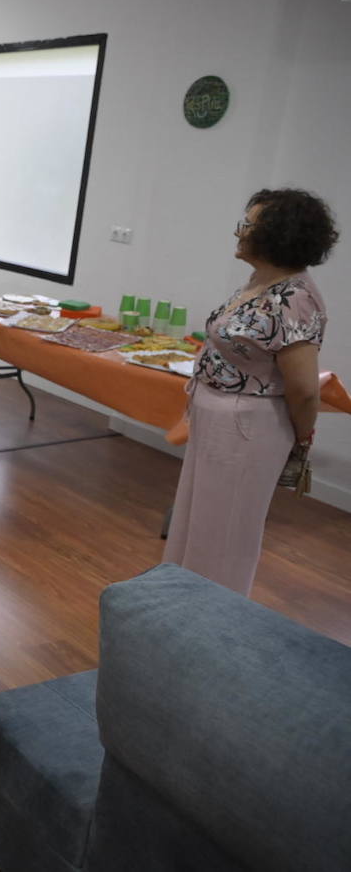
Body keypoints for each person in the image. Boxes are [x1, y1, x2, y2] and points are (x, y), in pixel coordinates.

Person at [163, 188, 336, 596]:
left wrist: (302, 438)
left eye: (249, 225)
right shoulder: (262, 282)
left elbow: (304, 390)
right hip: (219, 417)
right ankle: (176, 610)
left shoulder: (296, 299)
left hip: (248, 427)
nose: (239, 232)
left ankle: (214, 623)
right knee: (196, 519)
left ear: (276, 235)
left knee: (225, 535)